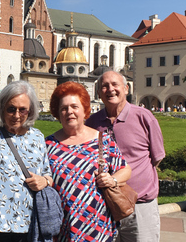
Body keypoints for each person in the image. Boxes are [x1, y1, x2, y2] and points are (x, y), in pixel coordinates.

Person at [0, 80, 52, 242]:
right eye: (11, 109)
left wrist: (44, 181)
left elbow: (48, 175)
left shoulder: (37, 137)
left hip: (31, 228)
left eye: (23, 110)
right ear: (2, 108)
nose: (17, 115)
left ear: (31, 110)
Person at [46, 81, 131, 242]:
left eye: (74, 107)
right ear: (57, 113)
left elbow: (126, 170)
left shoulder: (102, 139)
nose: (69, 112)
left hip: (98, 226)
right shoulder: (48, 145)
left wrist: (112, 179)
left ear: (84, 110)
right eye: (64, 108)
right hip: (62, 227)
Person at [86, 71, 165, 242]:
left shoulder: (144, 117)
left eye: (115, 84)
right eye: (104, 86)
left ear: (126, 88)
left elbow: (157, 158)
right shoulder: (92, 123)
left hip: (140, 207)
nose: (110, 89)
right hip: (104, 207)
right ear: (99, 93)